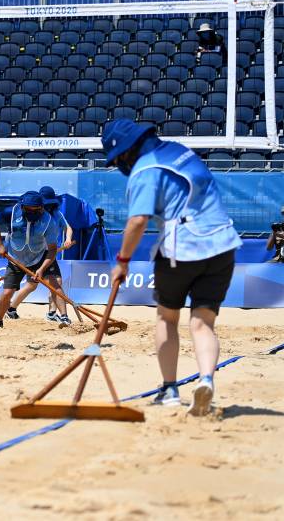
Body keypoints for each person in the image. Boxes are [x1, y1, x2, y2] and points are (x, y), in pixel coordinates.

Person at [103, 119, 241, 417]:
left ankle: (169, 388)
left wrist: (123, 262)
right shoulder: (181, 152)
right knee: (203, 322)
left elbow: (138, 221)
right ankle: (206, 379)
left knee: (167, 318)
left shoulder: (145, 171)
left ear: (126, 152)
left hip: (182, 249)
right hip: (222, 245)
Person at [0, 191, 62, 330]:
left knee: (55, 284)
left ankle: (63, 316)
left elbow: (52, 250)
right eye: (28, 209)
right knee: (7, 293)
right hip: (15, 260)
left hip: (38, 259)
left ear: (41, 208)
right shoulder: (10, 213)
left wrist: (41, 270)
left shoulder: (48, 222)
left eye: (36, 210)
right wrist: (0, 245)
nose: (32, 212)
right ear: (22, 207)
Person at [7, 186, 75, 325]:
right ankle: (11, 309)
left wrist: (68, 239)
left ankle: (55, 313)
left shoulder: (57, 214)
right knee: (33, 285)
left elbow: (68, 227)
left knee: (55, 283)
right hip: (36, 253)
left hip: (49, 252)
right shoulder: (32, 214)